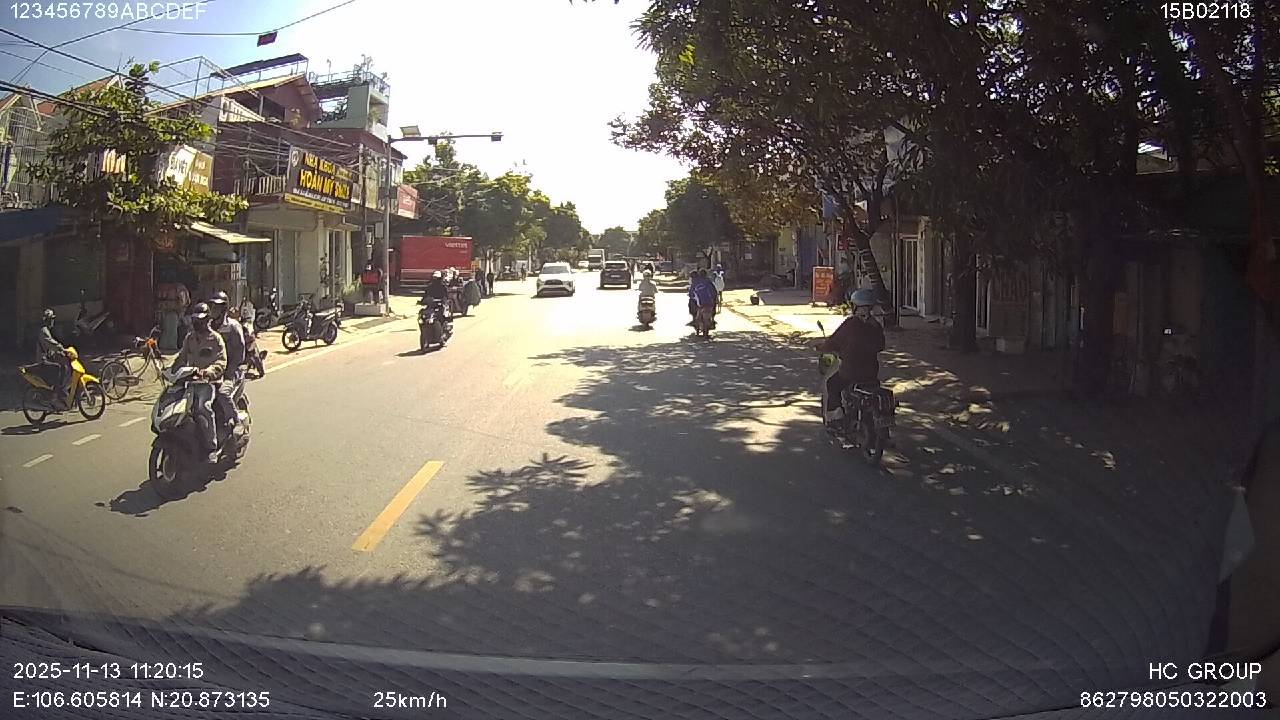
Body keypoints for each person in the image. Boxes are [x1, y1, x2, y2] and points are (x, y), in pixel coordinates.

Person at [816, 288, 886, 430]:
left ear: (856, 306)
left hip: (850, 372)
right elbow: (880, 346)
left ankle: (836, 418)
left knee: (832, 384)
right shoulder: (875, 325)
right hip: (871, 373)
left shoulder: (851, 324)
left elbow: (834, 341)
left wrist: (822, 347)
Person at [172, 302, 227, 463]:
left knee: (203, 408)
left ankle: (211, 447)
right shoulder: (190, 338)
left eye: (200, 320)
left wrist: (208, 372)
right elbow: (181, 358)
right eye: (195, 320)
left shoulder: (216, 339)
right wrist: (171, 370)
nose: (197, 323)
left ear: (207, 320)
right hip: (191, 382)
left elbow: (221, 362)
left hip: (209, 383)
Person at [207, 290, 246, 433]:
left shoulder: (232, 327)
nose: (213, 310)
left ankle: (236, 421)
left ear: (223, 309)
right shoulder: (207, 327)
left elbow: (239, 355)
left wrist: (228, 373)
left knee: (223, 394)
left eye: (217, 307)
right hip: (211, 371)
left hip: (231, 371)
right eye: (212, 306)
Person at [35, 308, 71, 409]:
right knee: (59, 368)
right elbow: (50, 343)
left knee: (64, 367)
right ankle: (55, 398)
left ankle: (60, 393)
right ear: (46, 320)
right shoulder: (44, 331)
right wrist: (60, 348)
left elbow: (51, 349)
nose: (52, 321)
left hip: (48, 359)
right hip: (43, 361)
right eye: (51, 319)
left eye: (53, 319)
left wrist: (61, 352)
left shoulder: (47, 330)